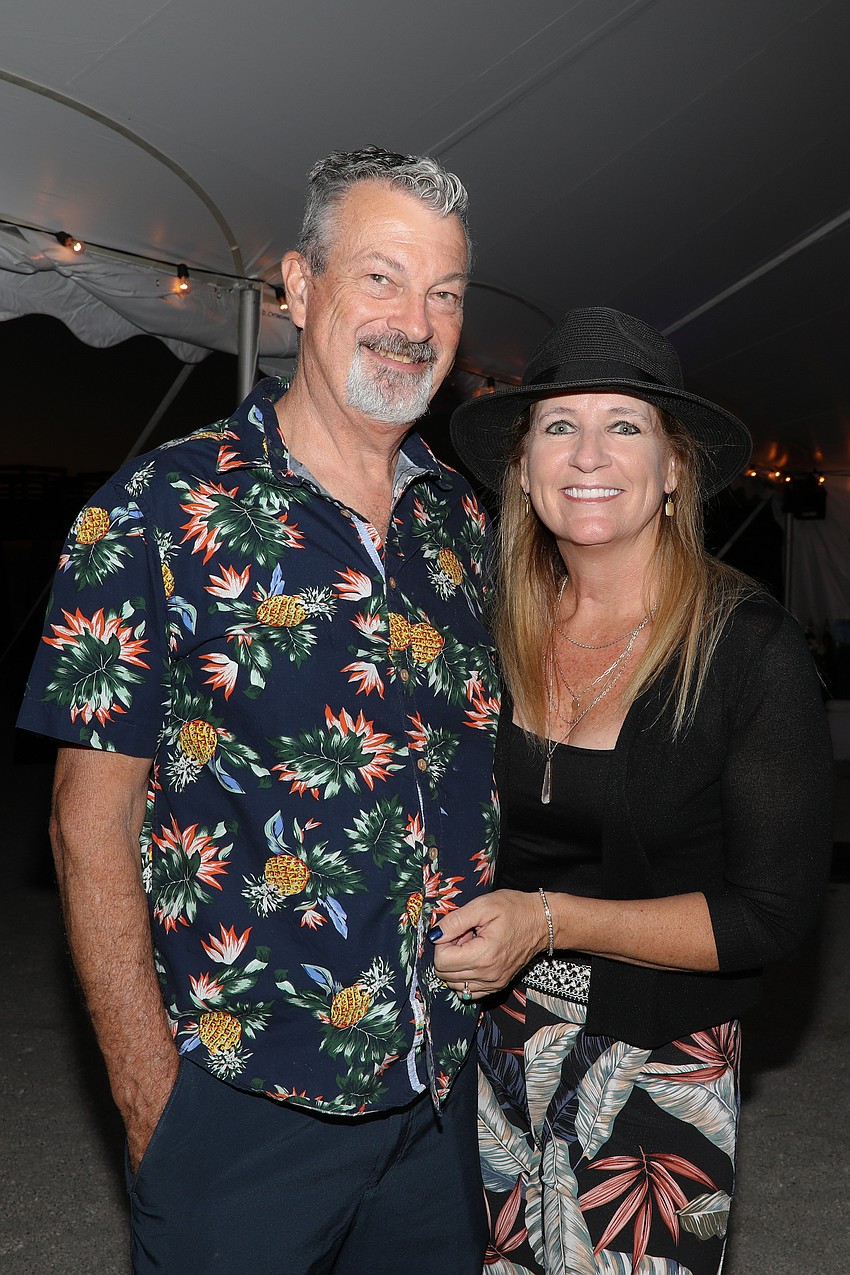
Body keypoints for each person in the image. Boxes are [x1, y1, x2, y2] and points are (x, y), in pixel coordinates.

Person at [17, 146, 501, 1274]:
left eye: (443, 292)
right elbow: (85, 827)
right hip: (243, 1106)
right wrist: (150, 1101)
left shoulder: (459, 528)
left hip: (438, 1100)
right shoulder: (156, 509)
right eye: (380, 278)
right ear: (297, 285)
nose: (414, 321)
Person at [432, 306, 834, 1274]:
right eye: (559, 427)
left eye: (625, 426)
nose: (588, 455)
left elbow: (770, 917)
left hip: (662, 1060)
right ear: (523, 469)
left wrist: (549, 919)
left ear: (672, 472)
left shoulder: (749, 652)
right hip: (496, 1044)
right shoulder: (488, 627)